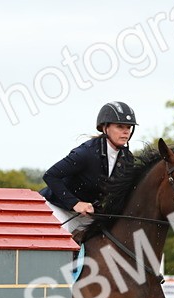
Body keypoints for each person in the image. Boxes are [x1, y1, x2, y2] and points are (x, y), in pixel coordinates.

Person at [41, 101, 137, 240]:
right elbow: (50, 176)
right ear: (105, 128)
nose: (126, 131)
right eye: (120, 126)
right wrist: (75, 203)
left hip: (87, 215)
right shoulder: (86, 153)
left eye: (128, 127)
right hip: (58, 208)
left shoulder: (127, 159)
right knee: (59, 241)